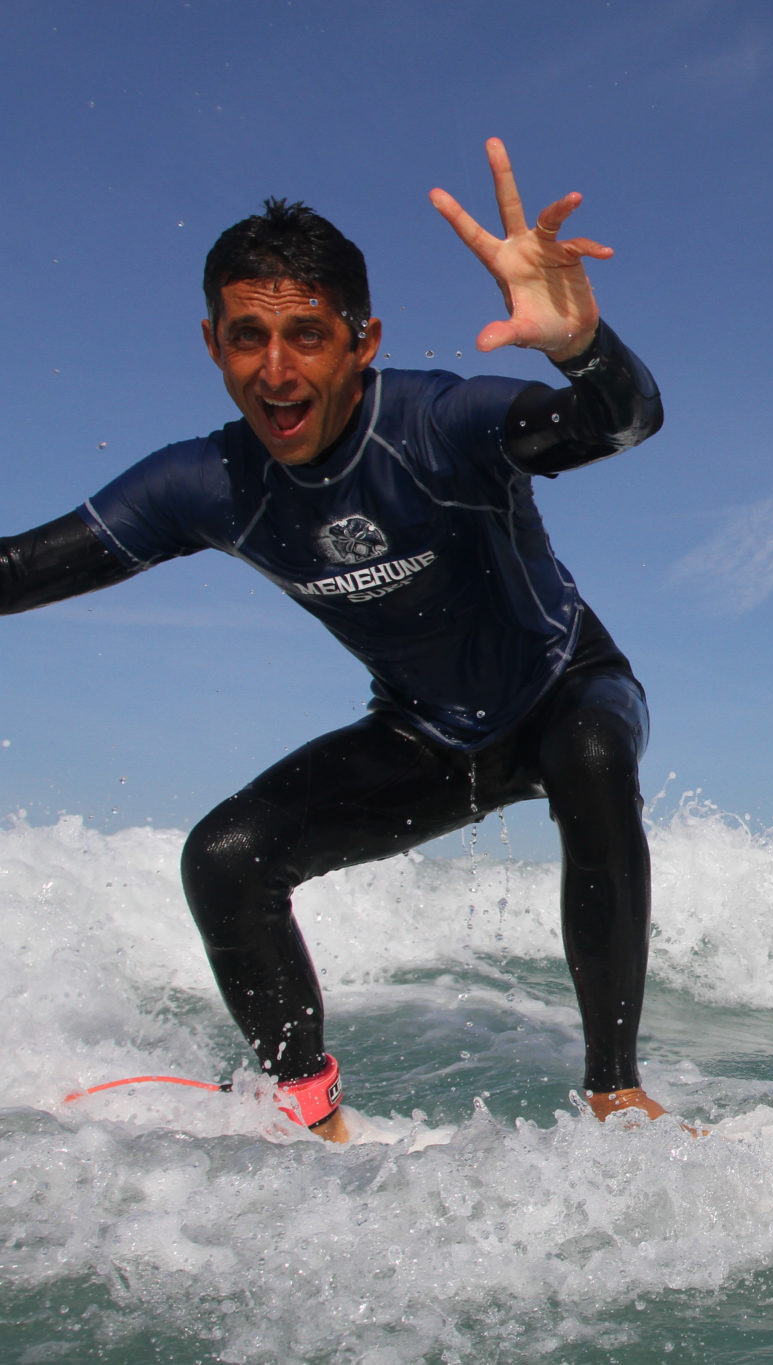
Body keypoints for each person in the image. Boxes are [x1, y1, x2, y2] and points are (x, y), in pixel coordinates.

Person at [0, 140, 677, 1142]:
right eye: (246, 337)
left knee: (586, 755)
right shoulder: (205, 484)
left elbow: (626, 422)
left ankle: (617, 1095)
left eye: (307, 336)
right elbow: (21, 569)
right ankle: (310, 1111)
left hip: (565, 684)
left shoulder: (441, 423)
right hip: (427, 737)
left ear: (361, 341)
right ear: (211, 343)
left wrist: (583, 348)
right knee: (225, 858)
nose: (275, 372)